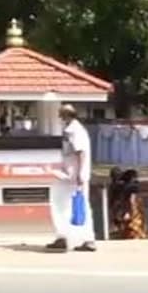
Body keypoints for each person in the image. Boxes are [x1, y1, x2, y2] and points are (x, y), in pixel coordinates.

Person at [47, 104, 96, 252]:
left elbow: (80, 152)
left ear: (66, 116)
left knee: (66, 205)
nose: (60, 118)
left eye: (61, 115)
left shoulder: (75, 131)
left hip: (72, 176)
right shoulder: (72, 129)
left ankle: (75, 238)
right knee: (69, 205)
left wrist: (80, 173)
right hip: (70, 174)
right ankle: (69, 237)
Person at [109, 167, 145, 240]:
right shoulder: (125, 188)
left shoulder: (123, 188)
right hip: (128, 215)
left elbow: (130, 202)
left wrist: (126, 212)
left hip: (129, 215)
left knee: (131, 229)